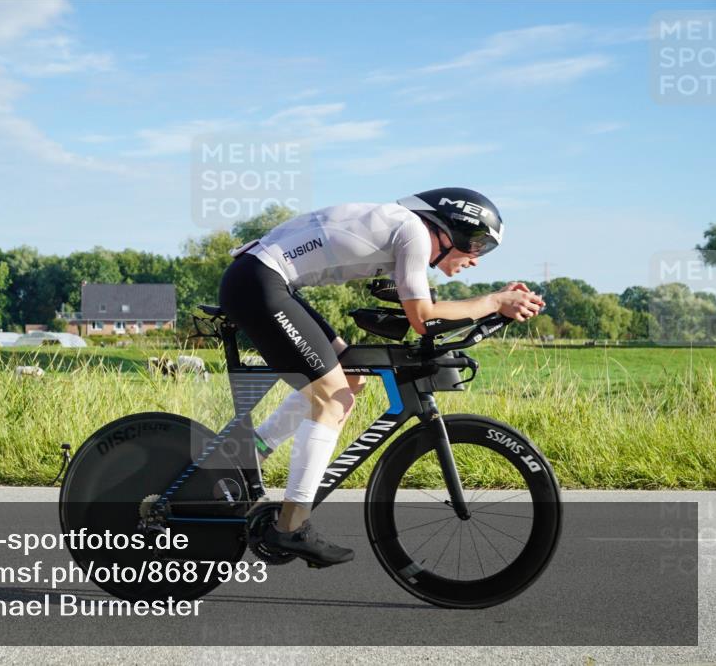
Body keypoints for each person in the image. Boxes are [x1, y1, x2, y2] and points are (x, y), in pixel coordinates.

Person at [218, 187, 545, 568]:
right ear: (447, 228)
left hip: (263, 280)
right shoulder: (412, 232)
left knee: (350, 378)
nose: (475, 259)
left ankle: (250, 452)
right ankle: (291, 525)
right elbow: (423, 319)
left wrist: (495, 302)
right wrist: (492, 302)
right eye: (475, 245)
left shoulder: (401, 229)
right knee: (333, 397)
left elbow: (414, 301)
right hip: (260, 284)